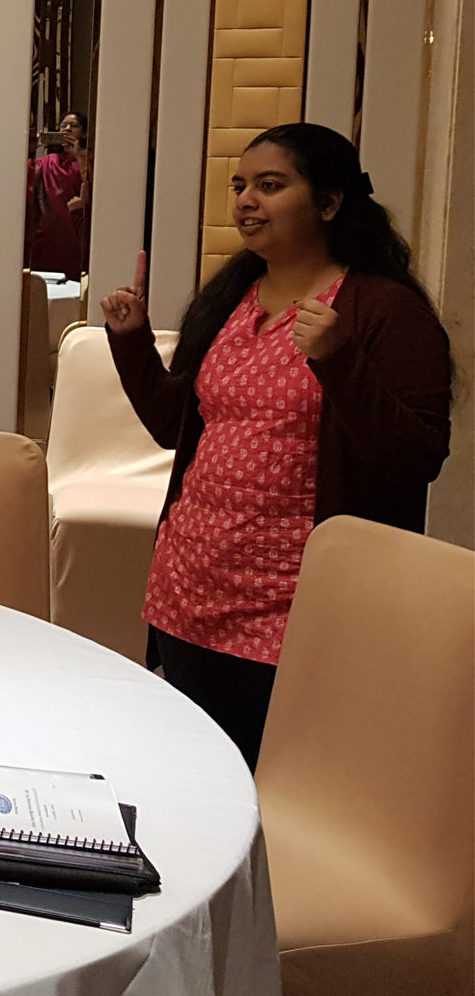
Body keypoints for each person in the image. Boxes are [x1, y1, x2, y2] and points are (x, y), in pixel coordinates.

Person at [101, 123, 452, 770]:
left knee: (281, 784)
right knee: (195, 775)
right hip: (190, 586)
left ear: (329, 203)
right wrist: (132, 342)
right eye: (240, 186)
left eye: (269, 185)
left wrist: (339, 360)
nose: (245, 201)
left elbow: (416, 457)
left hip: (296, 604)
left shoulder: (383, 310)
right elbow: (178, 427)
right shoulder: (232, 296)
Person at [25, 112, 88, 279]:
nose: (67, 129)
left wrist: (79, 155)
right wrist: (33, 147)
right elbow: (25, 182)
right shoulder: (48, 161)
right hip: (48, 236)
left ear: (85, 133)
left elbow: (94, 189)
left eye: (74, 126)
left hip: (76, 233)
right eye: (63, 126)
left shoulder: (89, 159)